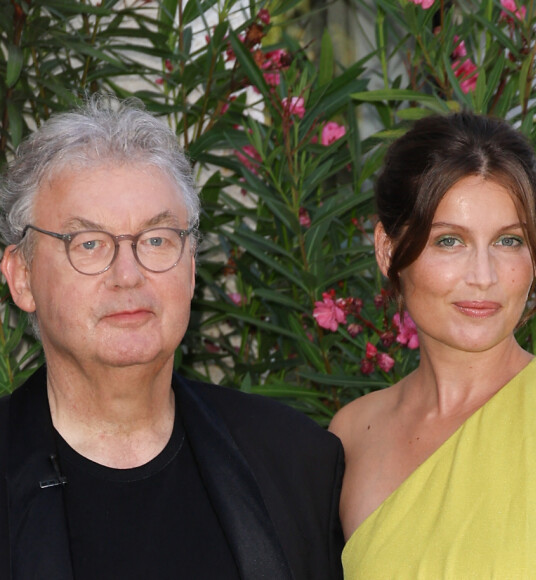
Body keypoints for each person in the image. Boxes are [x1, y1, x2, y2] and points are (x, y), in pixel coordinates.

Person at [0, 95, 344, 580]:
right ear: (22, 277)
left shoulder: (295, 462)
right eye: (90, 244)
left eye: (157, 240)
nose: (128, 275)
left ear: (191, 268)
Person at [329, 112, 536, 579]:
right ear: (387, 250)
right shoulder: (353, 435)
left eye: (508, 241)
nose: (483, 277)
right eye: (450, 241)